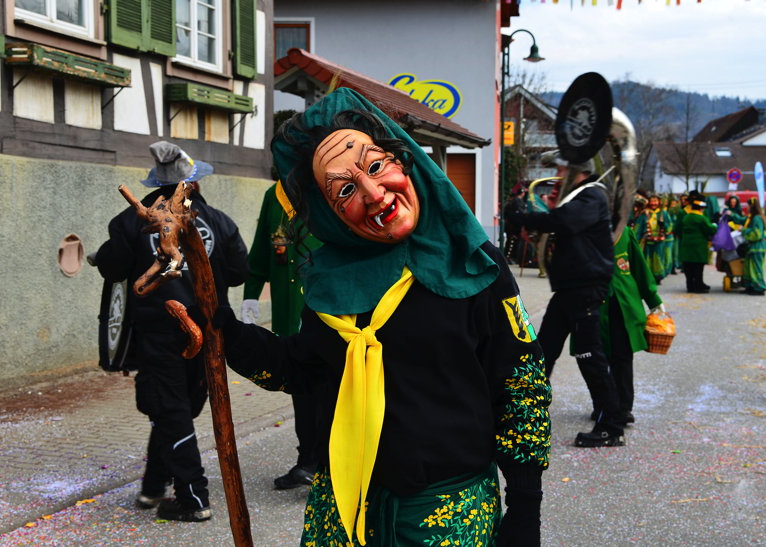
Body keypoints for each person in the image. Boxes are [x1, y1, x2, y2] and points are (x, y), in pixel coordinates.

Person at [209, 89, 550, 545]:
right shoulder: (331, 283)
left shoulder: (473, 263)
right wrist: (224, 328)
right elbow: (301, 369)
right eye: (345, 189)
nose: (373, 193)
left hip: (449, 516)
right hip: (346, 516)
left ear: (402, 161)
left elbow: (521, 383)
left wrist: (525, 508)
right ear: (331, 215)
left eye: (375, 166)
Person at [95, 141, 249, 522]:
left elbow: (112, 268)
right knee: (175, 410)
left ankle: (193, 499)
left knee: (171, 410)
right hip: (209, 331)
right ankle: (153, 487)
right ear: (193, 184)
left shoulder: (130, 221)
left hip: (159, 329)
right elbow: (240, 272)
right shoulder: (220, 221)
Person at [516, 148, 626, 448]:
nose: (558, 175)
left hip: (585, 287)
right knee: (544, 350)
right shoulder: (577, 196)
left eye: (562, 170)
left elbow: (564, 223)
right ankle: (529, 409)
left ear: (579, 171)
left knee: (589, 356)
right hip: (570, 287)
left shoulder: (592, 195)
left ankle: (611, 426)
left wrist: (528, 217)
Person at [240, 182, 323, 489]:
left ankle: (324, 464)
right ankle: (306, 463)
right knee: (301, 390)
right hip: (289, 317)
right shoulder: (272, 196)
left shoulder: (326, 188)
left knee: (326, 391)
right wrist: (250, 294)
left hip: (327, 313)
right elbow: (262, 250)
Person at [590, 226, 663, 425]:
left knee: (622, 357)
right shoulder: (581, 231)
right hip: (594, 304)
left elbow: (639, 267)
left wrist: (653, 299)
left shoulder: (625, 232)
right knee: (595, 359)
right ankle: (602, 404)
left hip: (623, 305)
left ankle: (623, 407)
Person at [674, 193, 716, 293]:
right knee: (698, 267)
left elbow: (677, 228)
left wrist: (683, 237)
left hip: (686, 245)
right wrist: (715, 226)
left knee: (688, 266)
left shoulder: (686, 217)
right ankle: (698, 285)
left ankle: (690, 285)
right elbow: (710, 229)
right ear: (701, 208)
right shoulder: (701, 218)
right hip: (698, 246)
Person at [635, 194, 672, 284]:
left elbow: (669, 227)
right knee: (648, 258)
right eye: (652, 201)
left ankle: (658, 276)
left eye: (655, 201)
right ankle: (648, 276)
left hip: (660, 241)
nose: (653, 203)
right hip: (647, 240)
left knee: (658, 258)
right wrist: (636, 238)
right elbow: (639, 227)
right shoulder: (645, 213)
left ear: (659, 202)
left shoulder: (664, 213)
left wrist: (663, 225)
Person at [741, 197, 766, 295]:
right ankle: (750, 286)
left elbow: (757, 234)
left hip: (757, 247)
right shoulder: (756, 217)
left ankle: (759, 287)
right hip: (753, 247)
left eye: (748, 206)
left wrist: (744, 231)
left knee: (756, 268)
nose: (747, 208)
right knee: (749, 267)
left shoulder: (757, 218)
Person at [503, 183, 528, 264]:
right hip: (513, 225)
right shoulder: (517, 202)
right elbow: (518, 213)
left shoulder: (513, 201)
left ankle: (510, 257)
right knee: (512, 241)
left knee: (512, 241)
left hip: (512, 224)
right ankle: (508, 257)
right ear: (523, 193)